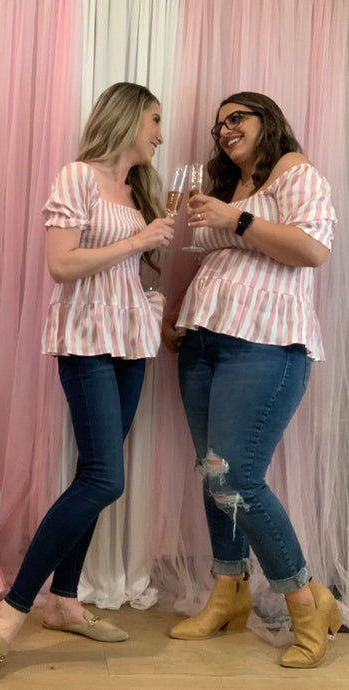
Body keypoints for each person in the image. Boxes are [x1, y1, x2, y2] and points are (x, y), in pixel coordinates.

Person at [0, 82, 175, 690]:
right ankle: (12, 609)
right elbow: (62, 265)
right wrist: (138, 241)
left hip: (129, 344)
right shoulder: (77, 178)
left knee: (96, 473)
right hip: (85, 341)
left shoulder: (138, 191)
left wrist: (149, 288)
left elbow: (121, 274)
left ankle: (65, 599)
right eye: (156, 120)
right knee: (104, 478)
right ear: (130, 115)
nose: (161, 134)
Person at [162, 92, 341, 668]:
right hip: (205, 340)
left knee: (237, 477)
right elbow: (216, 257)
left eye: (236, 117)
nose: (224, 129)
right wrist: (179, 313)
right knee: (214, 473)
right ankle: (229, 592)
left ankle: (306, 602)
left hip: (264, 343)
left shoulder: (297, 175)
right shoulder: (225, 187)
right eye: (219, 125)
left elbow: (312, 249)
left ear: (269, 120)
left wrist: (235, 218)